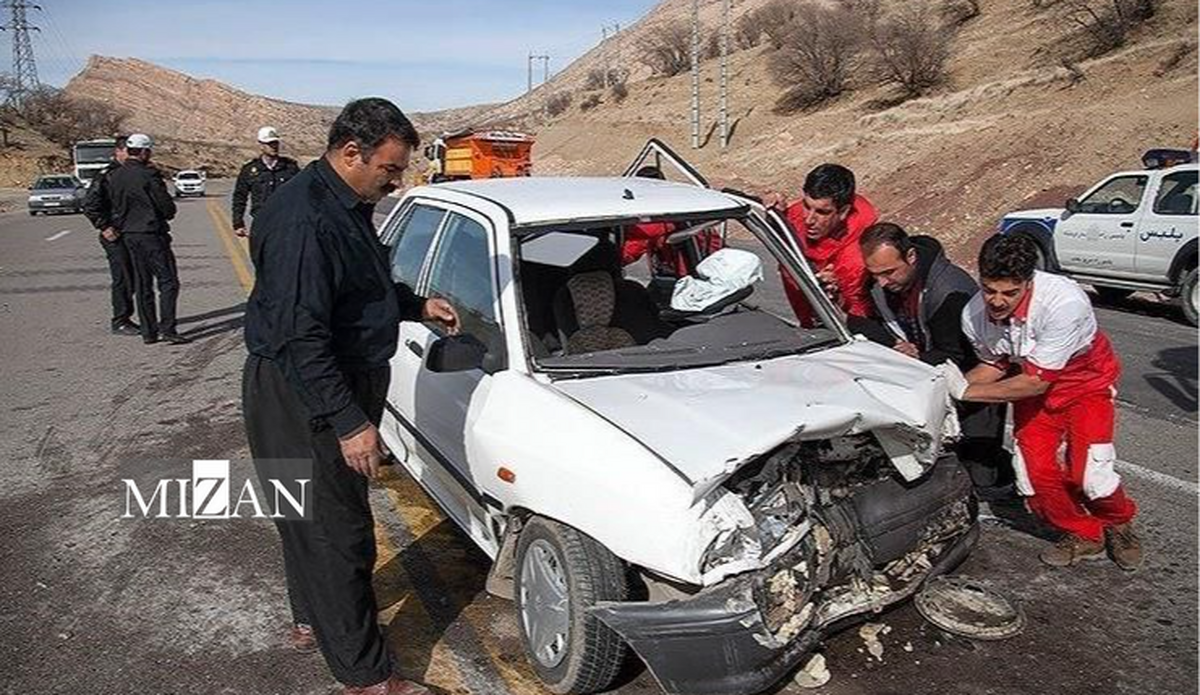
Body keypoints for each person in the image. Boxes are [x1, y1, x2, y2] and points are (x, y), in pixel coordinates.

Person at [242, 98, 458, 695]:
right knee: (340, 534)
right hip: (307, 387)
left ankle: (314, 618)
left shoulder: (343, 201)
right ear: (351, 152)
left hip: (316, 379)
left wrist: (415, 305)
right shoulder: (305, 220)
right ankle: (367, 677)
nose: (396, 182)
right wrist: (348, 421)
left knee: (305, 514)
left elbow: (357, 287)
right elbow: (300, 335)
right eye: (390, 170)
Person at [943, 234, 1142, 570]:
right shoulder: (974, 313)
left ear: (1029, 282)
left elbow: (1035, 382)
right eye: (990, 289)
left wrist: (964, 392)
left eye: (1010, 292)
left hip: (1084, 384)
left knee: (1091, 475)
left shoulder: (1064, 303)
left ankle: (1118, 522)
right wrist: (945, 386)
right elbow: (994, 365)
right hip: (1031, 385)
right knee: (1034, 475)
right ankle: (1084, 533)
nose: (997, 301)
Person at [857, 223, 1012, 496]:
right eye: (875, 274)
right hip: (926, 372)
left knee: (980, 470)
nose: (882, 282)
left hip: (972, 379)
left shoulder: (951, 291)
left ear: (911, 257)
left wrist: (917, 356)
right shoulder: (881, 284)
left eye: (888, 272)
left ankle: (1006, 485)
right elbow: (868, 320)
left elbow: (957, 354)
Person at [767, 163, 878, 325]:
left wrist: (837, 297)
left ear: (843, 212)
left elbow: (857, 316)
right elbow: (783, 236)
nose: (809, 219)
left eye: (822, 212)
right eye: (806, 206)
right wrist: (775, 216)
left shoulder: (857, 256)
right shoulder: (799, 213)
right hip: (804, 316)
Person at [106, 133, 187, 345]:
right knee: (168, 281)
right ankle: (168, 328)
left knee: (143, 284)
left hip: (129, 236)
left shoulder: (115, 176)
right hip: (152, 234)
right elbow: (166, 207)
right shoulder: (149, 175)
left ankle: (149, 332)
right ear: (143, 151)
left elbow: (114, 206)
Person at [82, 135, 138, 336]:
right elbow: (90, 205)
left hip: (131, 231)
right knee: (123, 276)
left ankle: (128, 315)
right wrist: (104, 226)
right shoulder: (107, 175)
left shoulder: (131, 173)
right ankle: (120, 320)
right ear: (119, 151)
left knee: (133, 276)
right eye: (128, 151)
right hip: (114, 234)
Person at [231, 126, 301, 237]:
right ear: (261, 145)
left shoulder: (290, 168)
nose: (274, 147)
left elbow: (303, 195)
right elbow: (240, 197)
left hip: (287, 225)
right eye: (269, 144)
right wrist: (238, 223)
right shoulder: (250, 170)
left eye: (275, 143)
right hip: (261, 224)